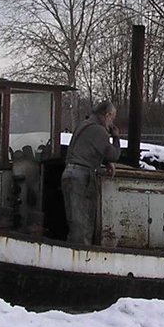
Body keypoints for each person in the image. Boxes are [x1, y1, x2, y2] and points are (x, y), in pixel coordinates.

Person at [61, 100, 121, 245]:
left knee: (73, 219)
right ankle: (82, 254)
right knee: (83, 221)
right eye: (112, 118)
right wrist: (116, 136)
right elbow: (113, 154)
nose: (111, 123)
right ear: (107, 115)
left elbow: (88, 148)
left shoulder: (83, 125)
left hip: (68, 173)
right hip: (81, 177)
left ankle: (72, 250)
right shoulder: (99, 130)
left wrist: (106, 163)